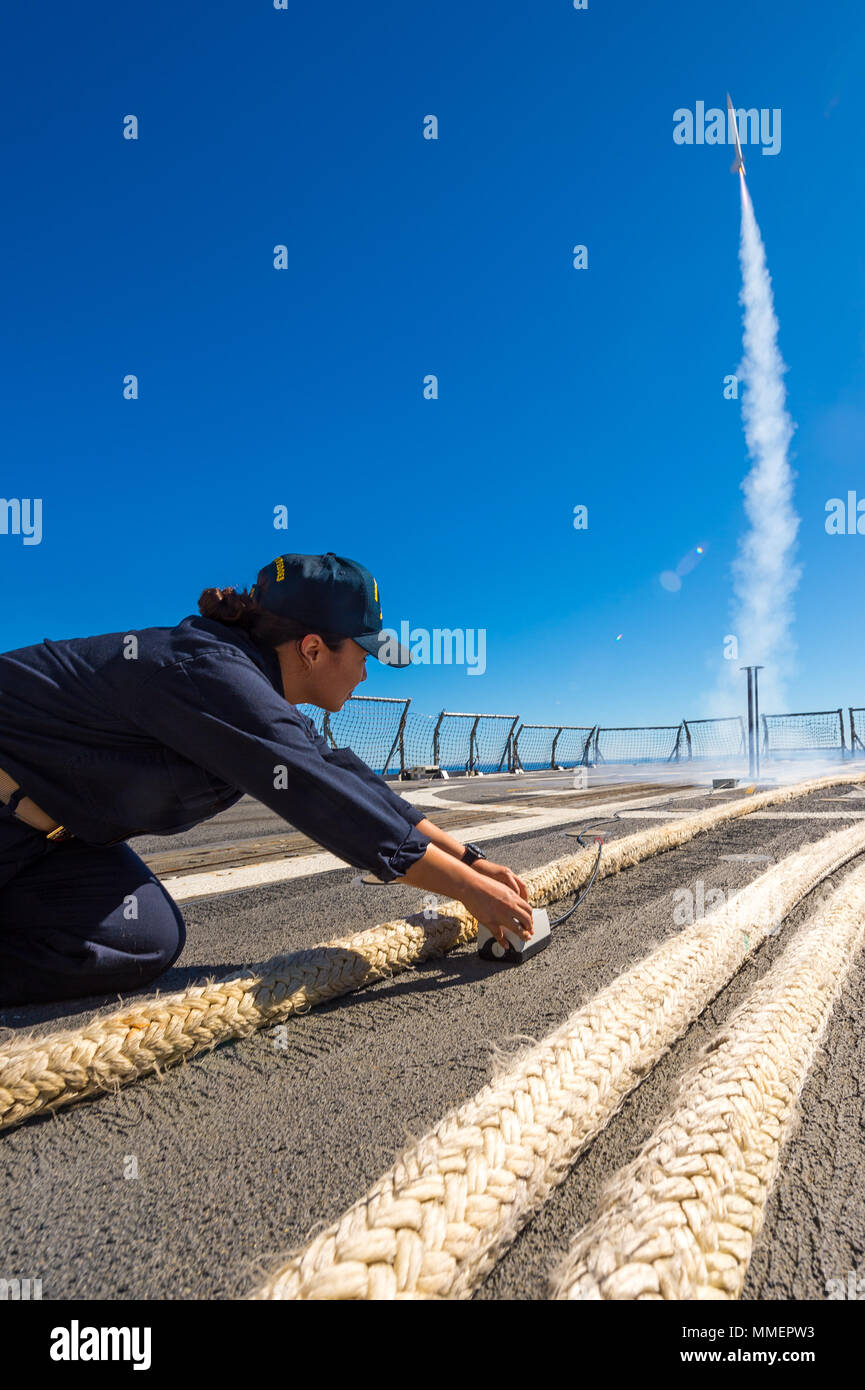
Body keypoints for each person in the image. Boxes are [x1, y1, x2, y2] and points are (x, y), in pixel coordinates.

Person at [0, 552, 533, 1007]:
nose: (367, 671)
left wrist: (472, 860)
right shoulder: (212, 673)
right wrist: (473, 894)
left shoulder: (252, 685)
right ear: (313, 648)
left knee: (143, 939)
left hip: (52, 841)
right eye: (364, 652)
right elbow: (324, 799)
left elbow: (347, 780)